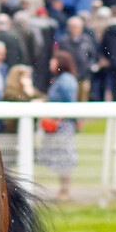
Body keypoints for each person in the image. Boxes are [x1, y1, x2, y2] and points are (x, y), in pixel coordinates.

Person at [39, 50, 79, 202]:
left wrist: (60, 119)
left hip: (63, 125)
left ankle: (65, 191)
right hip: (59, 125)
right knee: (61, 158)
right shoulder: (60, 79)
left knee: (64, 158)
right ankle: (63, 190)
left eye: (53, 61)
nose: (51, 64)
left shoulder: (66, 80)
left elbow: (70, 103)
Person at [1, 64, 46, 134]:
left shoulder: (28, 90)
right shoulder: (9, 92)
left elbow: (44, 98)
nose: (29, 79)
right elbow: (24, 102)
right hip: (13, 132)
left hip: (29, 130)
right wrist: (29, 92)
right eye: (26, 76)